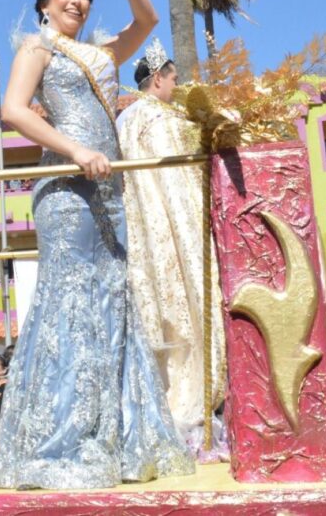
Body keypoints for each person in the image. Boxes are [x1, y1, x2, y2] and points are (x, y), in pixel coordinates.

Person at [0, 0, 192, 489]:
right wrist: (75, 149)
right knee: (71, 302)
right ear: (44, 1)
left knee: (113, 302)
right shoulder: (38, 47)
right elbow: (12, 110)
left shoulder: (102, 53)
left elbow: (149, 20)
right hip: (66, 188)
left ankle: (114, 435)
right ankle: (63, 435)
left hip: (110, 192)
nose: (77, 0)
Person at [117, 37, 225, 439]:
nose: (177, 86)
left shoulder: (127, 119)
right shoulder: (161, 120)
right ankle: (187, 400)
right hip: (171, 231)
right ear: (158, 79)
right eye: (174, 78)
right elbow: (181, 181)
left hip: (143, 237)